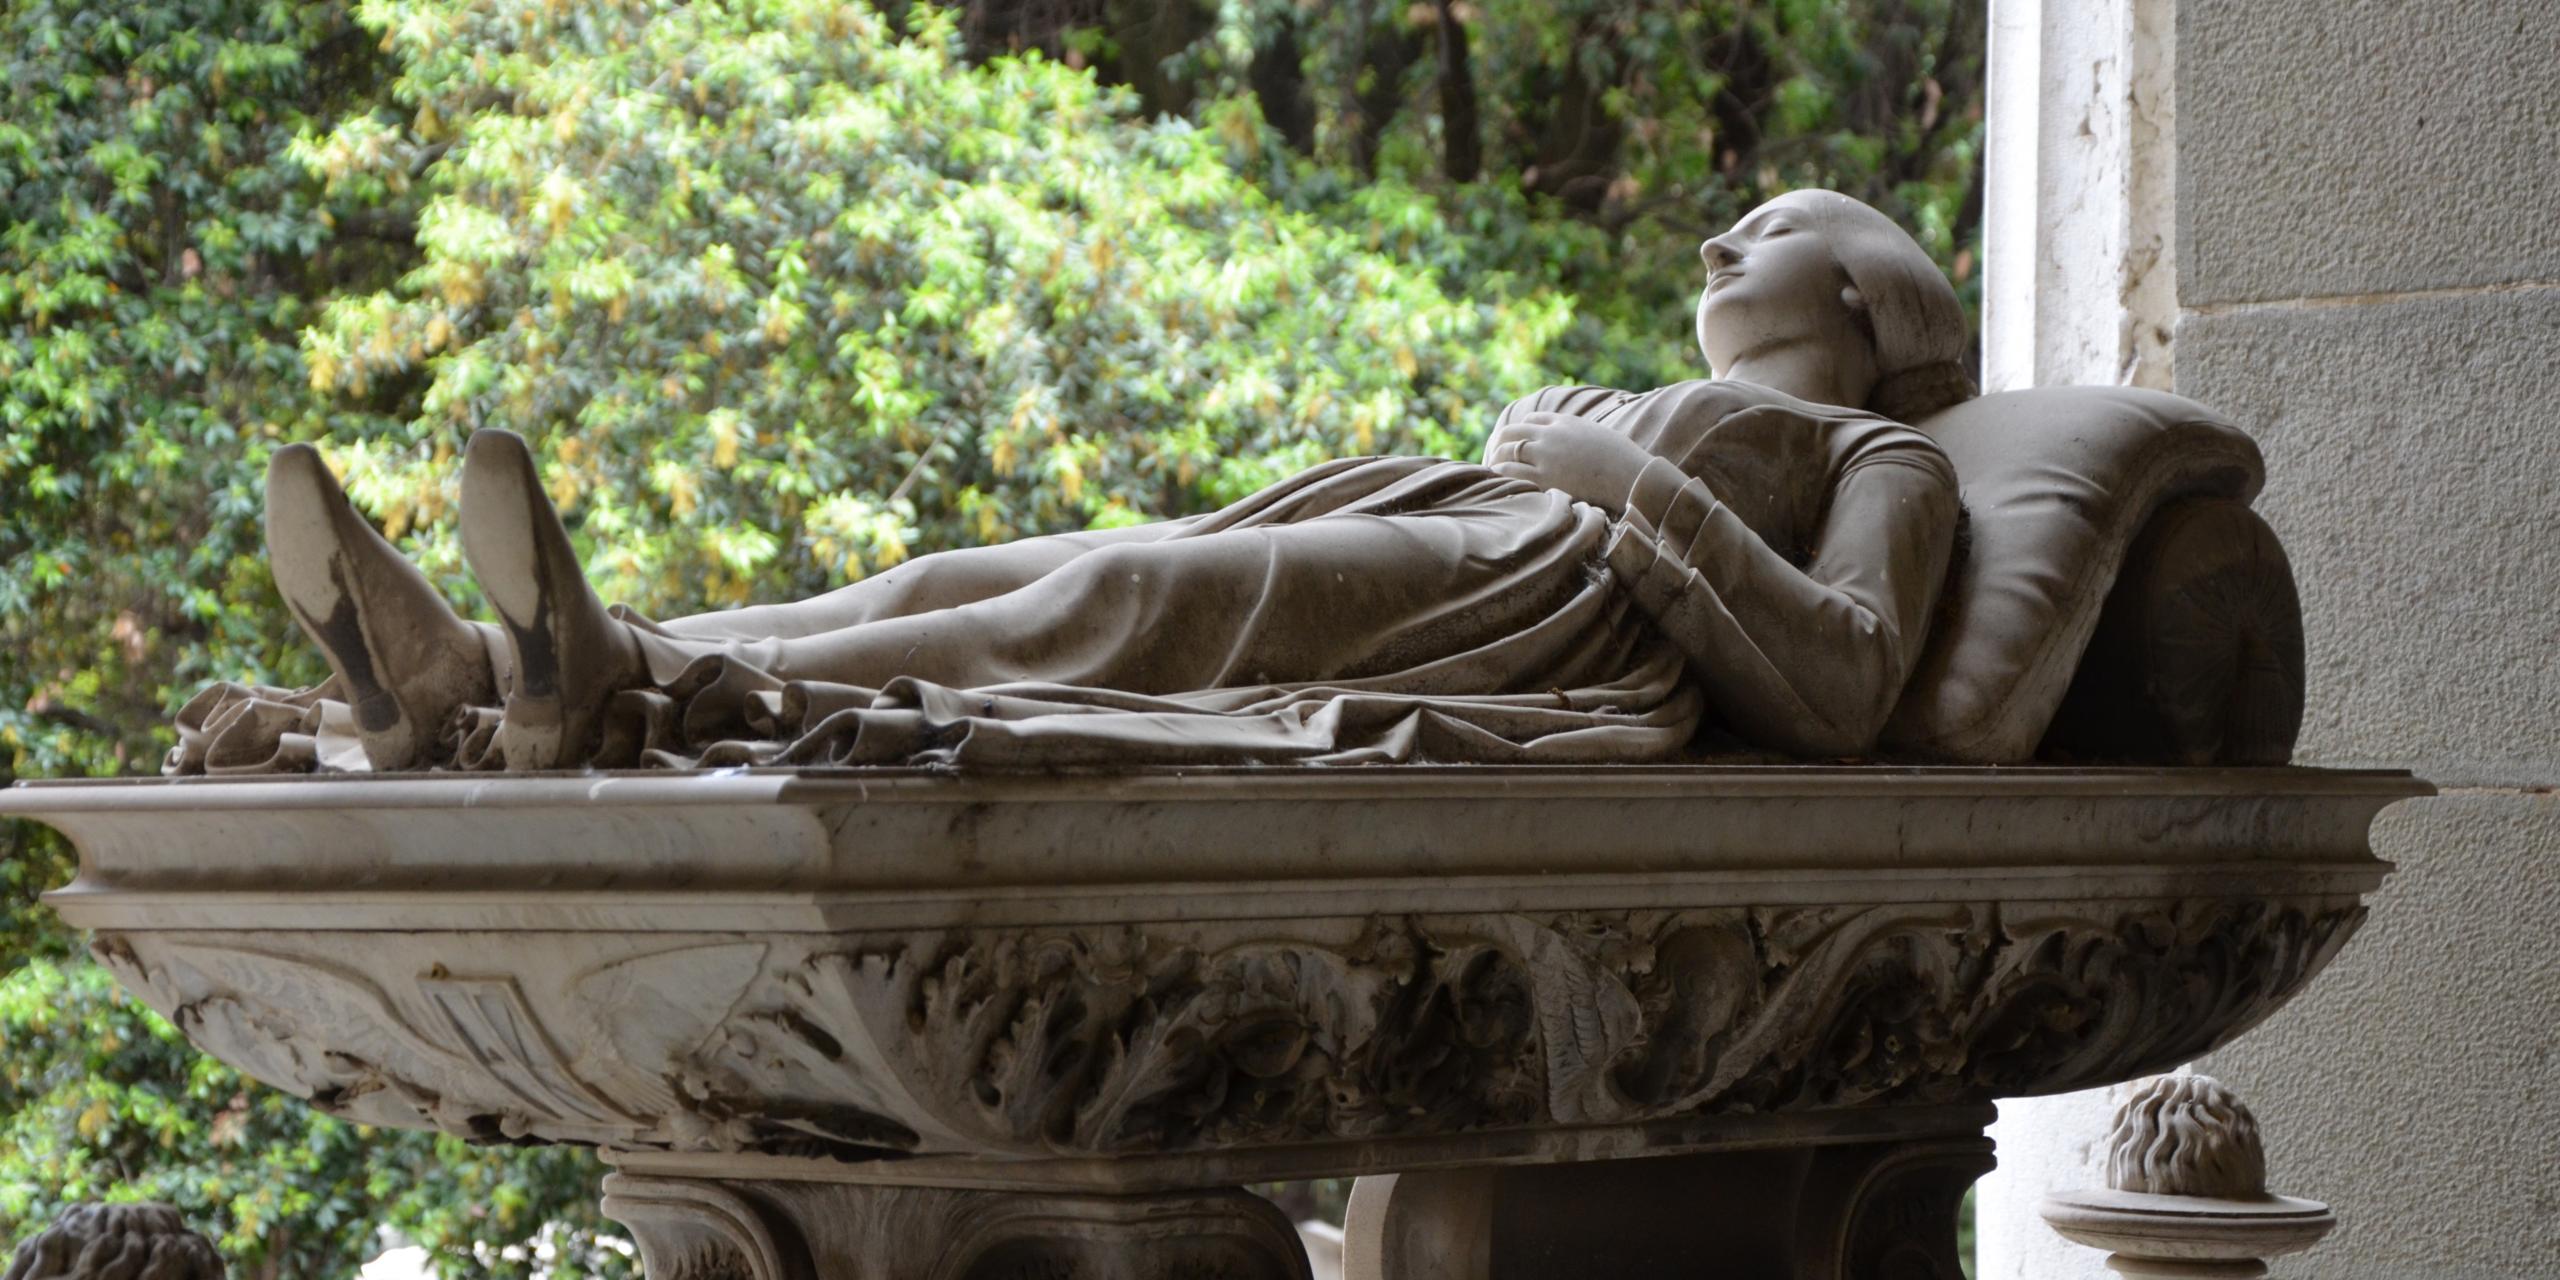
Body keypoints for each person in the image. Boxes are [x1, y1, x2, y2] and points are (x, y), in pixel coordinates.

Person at [177, 190, 1971, 774]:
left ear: (1868, 295)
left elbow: (1845, 680)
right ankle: (532, 663)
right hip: (1450, 517)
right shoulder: (1631, 398)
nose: (1721, 242)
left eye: (1773, 230)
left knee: (1119, 607)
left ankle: (628, 681)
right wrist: (1578, 450)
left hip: (1550, 605)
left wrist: (1613, 473)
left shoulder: (1878, 454)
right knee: (954, 578)